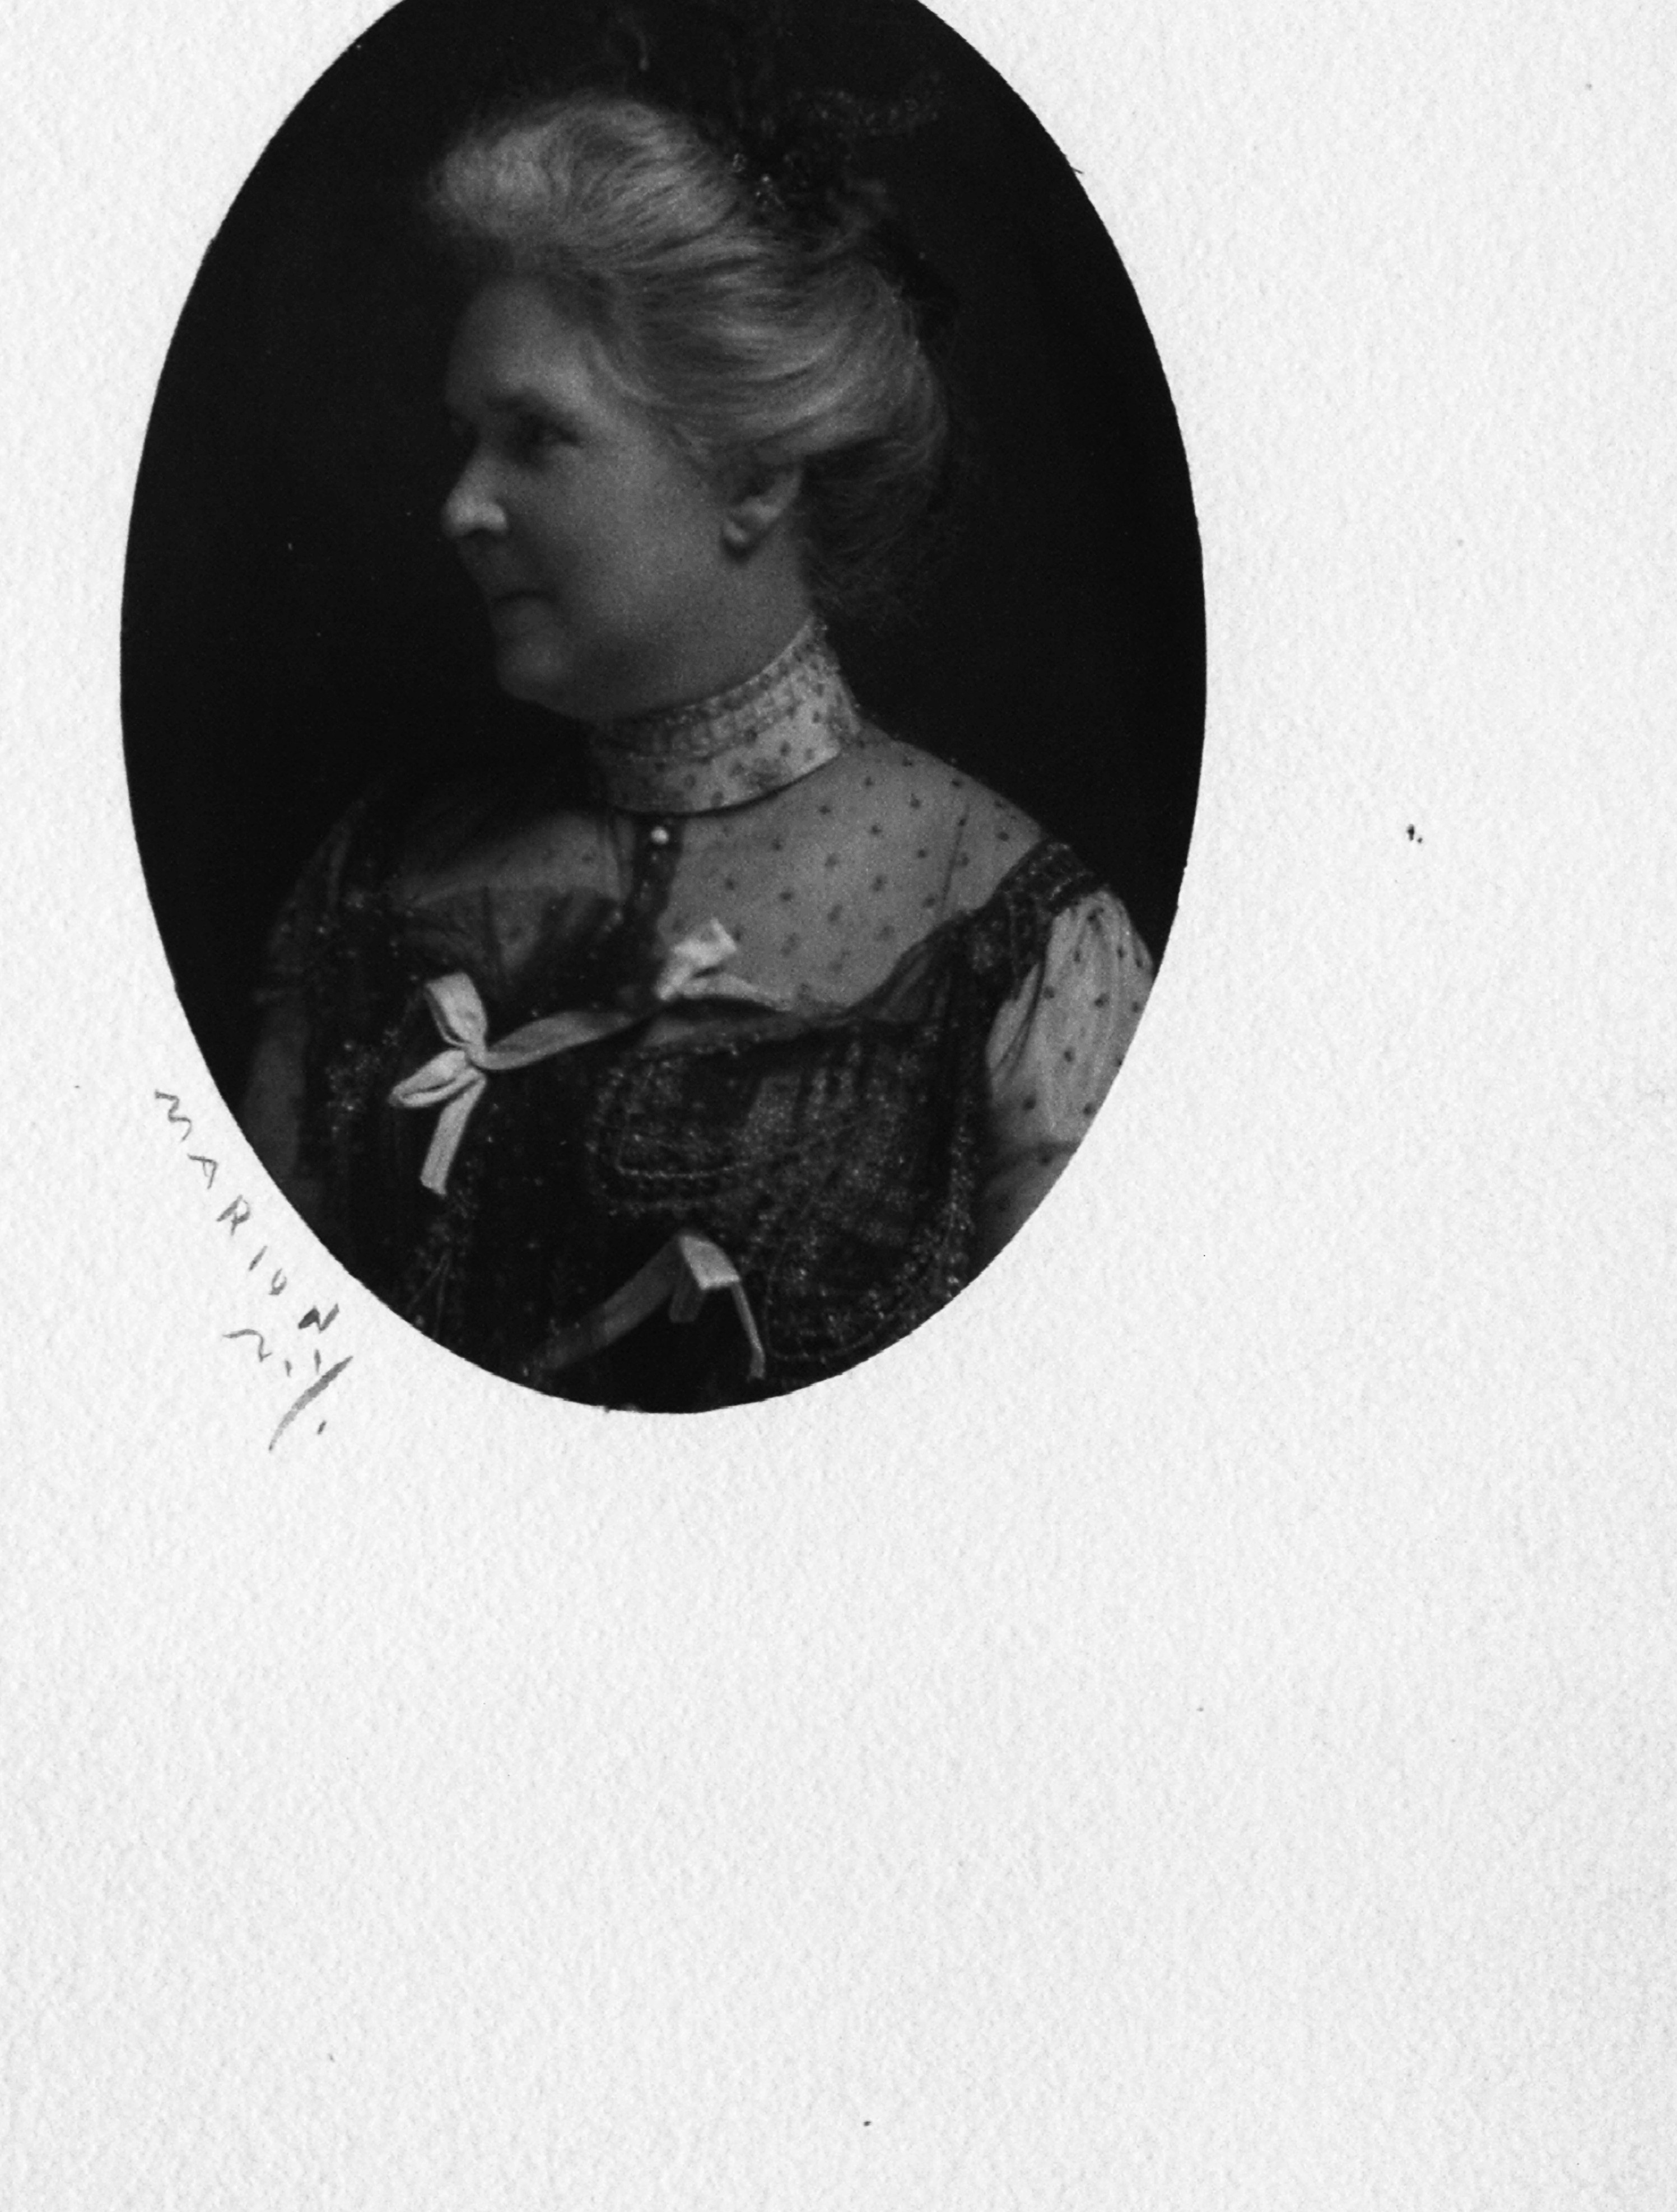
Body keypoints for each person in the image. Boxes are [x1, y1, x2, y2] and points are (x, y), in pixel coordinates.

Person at [237, 85, 1152, 1408]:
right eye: (465, 440)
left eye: (535, 436)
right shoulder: (378, 874)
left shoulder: (1018, 939)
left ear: (752, 476)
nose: (463, 506)